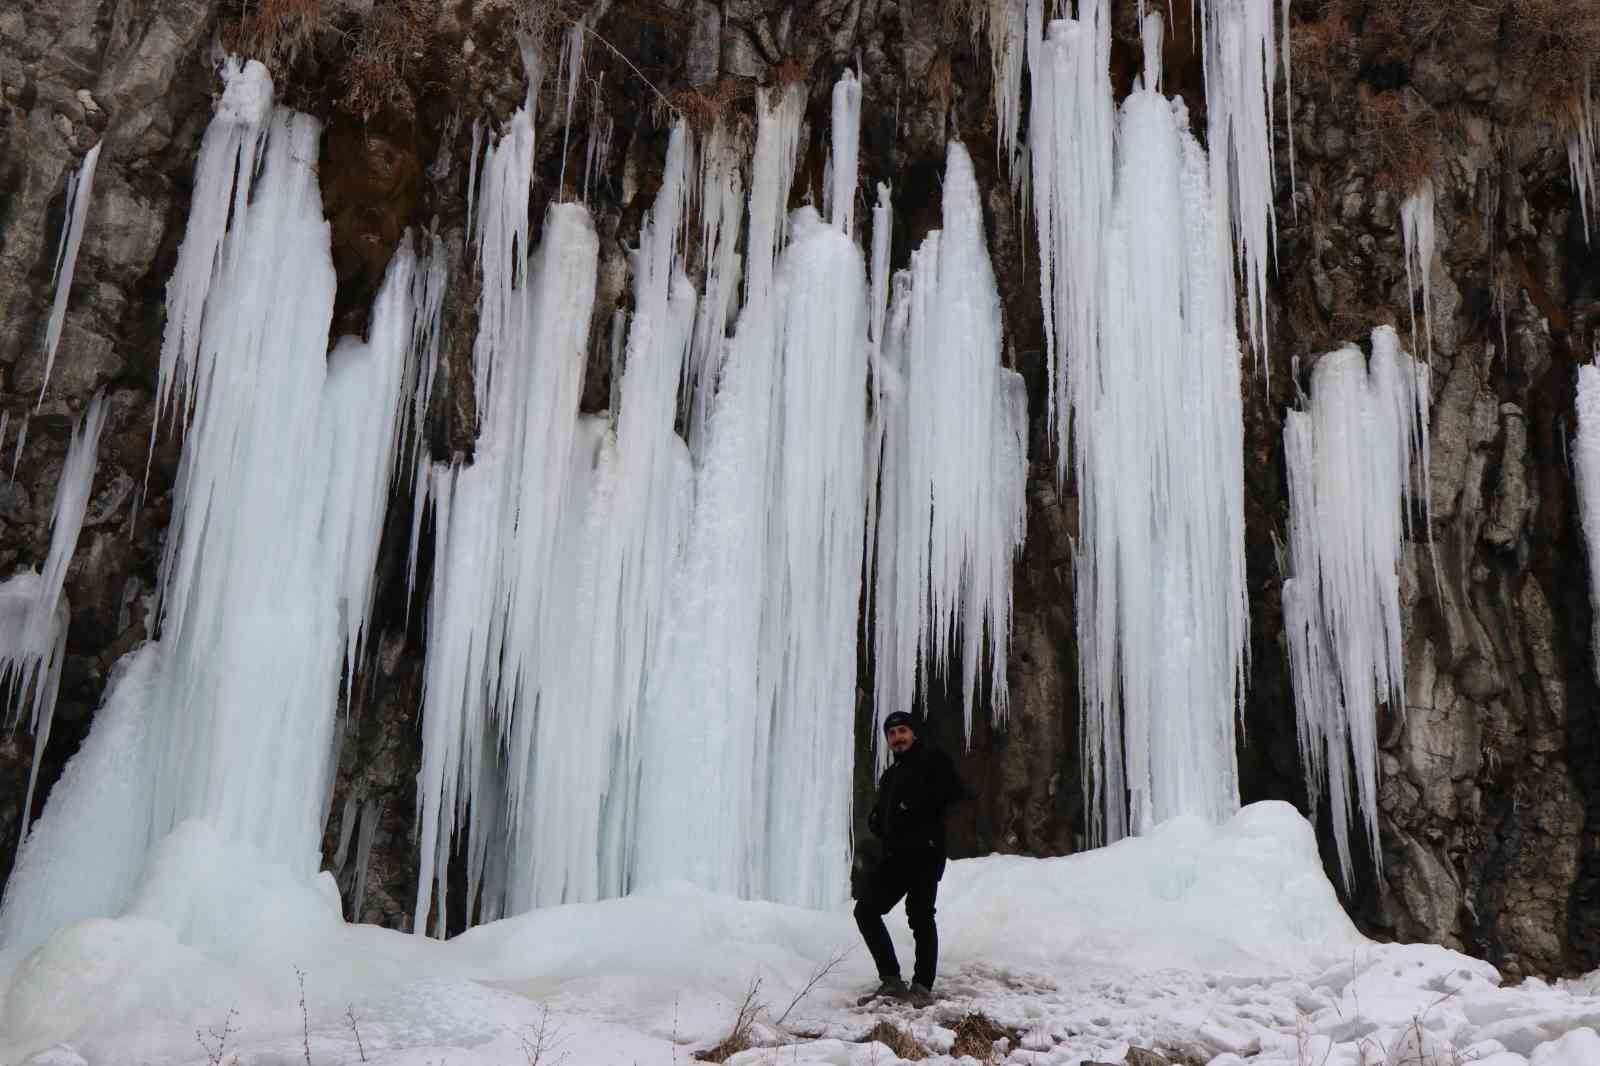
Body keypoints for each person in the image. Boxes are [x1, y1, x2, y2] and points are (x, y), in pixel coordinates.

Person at [854, 710, 964, 1007]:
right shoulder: (891, 774)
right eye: (891, 733)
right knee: (865, 910)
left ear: (913, 733)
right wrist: (878, 819)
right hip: (896, 855)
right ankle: (891, 980)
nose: (897, 737)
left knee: (920, 916)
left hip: (925, 853)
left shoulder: (933, 760)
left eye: (902, 731)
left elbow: (955, 792)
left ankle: (922, 986)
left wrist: (914, 806)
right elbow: (887, 812)